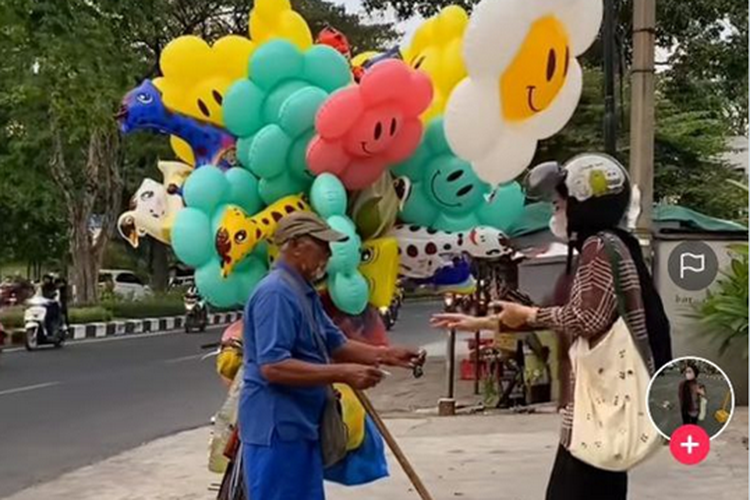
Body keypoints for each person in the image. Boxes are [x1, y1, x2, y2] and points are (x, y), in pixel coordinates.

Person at [431, 154, 672, 500]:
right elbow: (575, 312)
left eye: (560, 205)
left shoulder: (598, 247)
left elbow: (586, 318)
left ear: (585, 202)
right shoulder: (614, 244)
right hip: (599, 407)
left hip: (600, 408)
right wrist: (486, 321)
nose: (555, 215)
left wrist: (528, 316)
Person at [240, 211, 425, 500]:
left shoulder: (302, 291)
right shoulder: (275, 293)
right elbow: (273, 366)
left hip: (301, 424)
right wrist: (343, 373)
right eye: (322, 245)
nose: (327, 254)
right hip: (275, 429)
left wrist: (387, 355)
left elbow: (336, 343)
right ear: (296, 244)